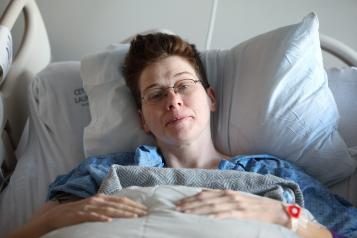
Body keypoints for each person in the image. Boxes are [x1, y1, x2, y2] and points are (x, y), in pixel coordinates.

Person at [6, 33, 351, 238]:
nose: (173, 100)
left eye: (184, 86)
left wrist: (282, 215)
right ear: (142, 118)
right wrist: (52, 221)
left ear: (211, 98)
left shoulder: (270, 174)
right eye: (156, 94)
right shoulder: (99, 172)